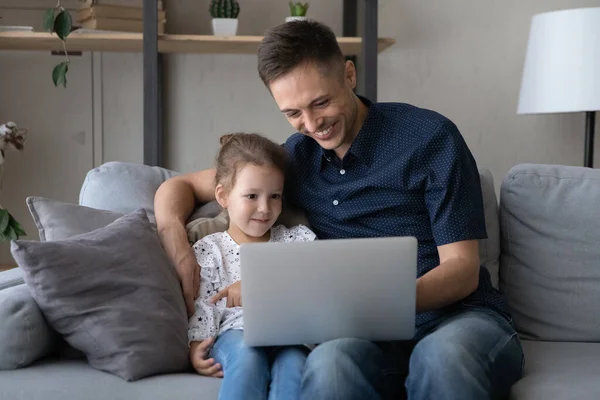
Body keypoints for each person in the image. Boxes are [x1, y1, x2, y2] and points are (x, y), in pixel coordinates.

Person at [155, 20, 524, 400]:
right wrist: (176, 242)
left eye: (321, 103)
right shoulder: (296, 157)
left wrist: (375, 299)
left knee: (443, 359)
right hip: (360, 335)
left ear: (349, 74)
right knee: (329, 366)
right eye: (293, 113)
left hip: (460, 321)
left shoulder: (430, 138)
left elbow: (461, 270)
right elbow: (178, 186)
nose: (312, 125)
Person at [187, 132, 316, 400]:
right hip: (236, 335)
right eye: (252, 196)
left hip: (290, 336)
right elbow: (204, 304)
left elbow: (316, 287)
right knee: (247, 359)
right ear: (223, 196)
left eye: (275, 196)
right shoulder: (211, 249)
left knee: (294, 368)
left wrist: (260, 287)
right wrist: (198, 344)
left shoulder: (297, 240)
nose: (264, 208)